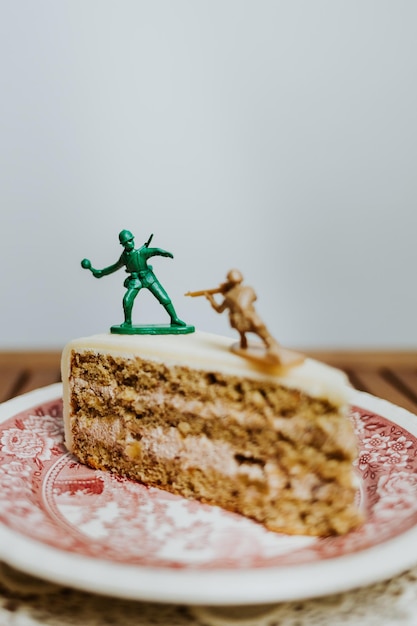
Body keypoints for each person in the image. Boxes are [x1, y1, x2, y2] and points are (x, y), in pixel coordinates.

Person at [82, 230, 186, 328]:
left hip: (148, 277)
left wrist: (164, 253)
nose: (130, 243)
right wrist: (101, 272)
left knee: (164, 298)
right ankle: (128, 322)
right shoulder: (124, 257)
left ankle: (174, 318)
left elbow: (155, 251)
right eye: (127, 242)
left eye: (131, 240)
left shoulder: (141, 252)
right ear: (123, 244)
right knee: (127, 300)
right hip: (136, 281)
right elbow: (114, 267)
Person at [204, 269, 280, 356]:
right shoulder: (249, 289)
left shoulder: (228, 296)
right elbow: (254, 298)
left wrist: (211, 299)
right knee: (264, 335)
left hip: (241, 322)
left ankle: (246, 340)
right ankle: (245, 341)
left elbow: (219, 310)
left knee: (262, 335)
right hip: (252, 318)